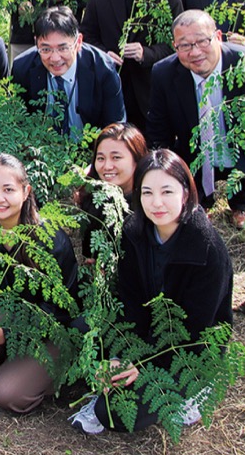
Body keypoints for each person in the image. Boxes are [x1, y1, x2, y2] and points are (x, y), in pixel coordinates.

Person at [146, 10, 245, 318]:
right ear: (174, 48)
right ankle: (175, 292)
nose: (195, 52)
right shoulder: (163, 73)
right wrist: (164, 177)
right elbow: (158, 133)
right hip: (198, 156)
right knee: (170, 212)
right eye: (184, 46)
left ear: (218, 37)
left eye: (202, 41)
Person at [71, 149, 232, 434]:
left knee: (111, 412)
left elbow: (195, 329)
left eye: (166, 192)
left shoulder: (206, 247)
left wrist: (144, 365)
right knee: (78, 333)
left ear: (185, 193)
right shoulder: (134, 231)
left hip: (186, 350)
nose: (156, 203)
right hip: (142, 336)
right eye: (147, 193)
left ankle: (198, 389)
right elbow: (127, 299)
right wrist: (121, 353)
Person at [0, 153, 79, 413]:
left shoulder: (52, 241)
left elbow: (62, 311)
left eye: (8, 190)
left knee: (8, 394)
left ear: (26, 191)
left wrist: (11, 332)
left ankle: (52, 375)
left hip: (49, 334)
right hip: (4, 323)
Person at [81, 0, 184, 131]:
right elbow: (86, 37)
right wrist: (104, 55)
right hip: (112, 88)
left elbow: (178, 44)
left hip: (151, 89)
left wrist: (146, 52)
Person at [12, 7, 125, 137]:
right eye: (46, 49)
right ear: (36, 43)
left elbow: (115, 129)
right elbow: (18, 125)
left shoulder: (103, 69)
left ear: (78, 42)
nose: (55, 58)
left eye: (63, 48)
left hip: (90, 150)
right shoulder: (22, 68)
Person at [72, 123, 149, 262]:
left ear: (137, 160)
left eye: (116, 158)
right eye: (100, 158)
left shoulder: (150, 203)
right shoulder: (89, 199)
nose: (107, 166)